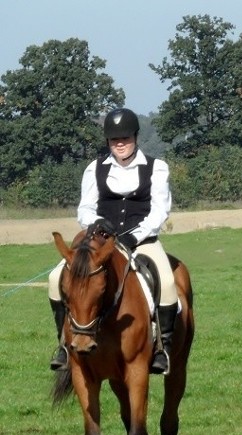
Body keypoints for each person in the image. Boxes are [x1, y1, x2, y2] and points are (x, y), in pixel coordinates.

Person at [47, 107, 178, 375]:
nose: (120, 144)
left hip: (142, 241)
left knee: (166, 281)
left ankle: (162, 347)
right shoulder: (94, 169)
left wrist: (135, 234)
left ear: (135, 137)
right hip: (101, 242)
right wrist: (95, 223)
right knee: (54, 277)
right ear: (107, 141)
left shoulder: (156, 167)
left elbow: (159, 210)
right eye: (114, 140)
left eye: (125, 139)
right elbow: (84, 208)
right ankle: (63, 343)